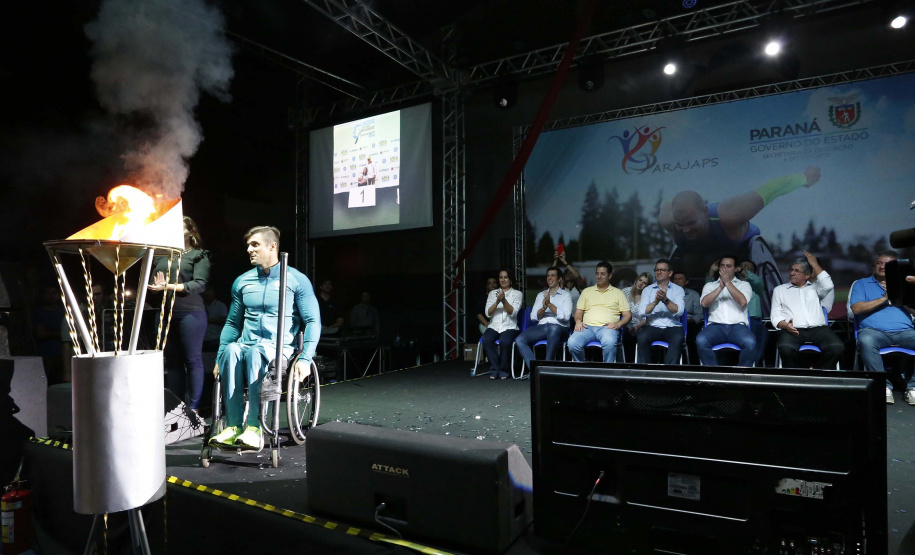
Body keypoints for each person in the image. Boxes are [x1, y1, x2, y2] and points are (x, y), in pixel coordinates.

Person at [210, 226, 320, 449]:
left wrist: (306, 358)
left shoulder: (296, 280)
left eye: (255, 245)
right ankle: (233, 427)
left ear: (272, 246)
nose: (249, 250)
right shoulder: (242, 281)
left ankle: (254, 427)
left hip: (278, 348)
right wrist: (220, 356)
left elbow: (312, 321)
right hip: (246, 344)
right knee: (231, 350)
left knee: (255, 352)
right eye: (248, 246)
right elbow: (232, 323)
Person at [659, 166, 821, 277]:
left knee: (711, 260)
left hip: (739, 252)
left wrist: (805, 178)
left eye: (691, 223)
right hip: (698, 259)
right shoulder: (668, 219)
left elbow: (773, 188)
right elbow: (668, 190)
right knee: (691, 261)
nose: (685, 229)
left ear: (705, 212)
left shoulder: (730, 215)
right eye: (680, 224)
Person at [148, 216, 210, 413]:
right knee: (172, 361)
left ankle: (193, 408)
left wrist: (169, 286)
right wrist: (156, 287)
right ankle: (176, 408)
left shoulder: (198, 255)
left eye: (180, 227)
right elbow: (155, 284)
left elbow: (199, 284)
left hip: (190, 313)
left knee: (192, 359)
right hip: (164, 313)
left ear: (191, 232)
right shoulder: (161, 256)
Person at [850, 250, 915, 405]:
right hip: (873, 332)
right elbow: (856, 309)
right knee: (866, 341)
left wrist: (901, 298)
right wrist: (885, 298)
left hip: (905, 332)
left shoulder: (906, 284)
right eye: (879, 263)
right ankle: (883, 387)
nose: (882, 266)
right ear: (874, 265)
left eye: (887, 264)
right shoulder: (861, 284)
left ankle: (913, 387)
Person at [770, 251, 843, 369]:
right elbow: (775, 315)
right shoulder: (780, 290)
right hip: (792, 330)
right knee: (786, 348)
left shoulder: (816, 288)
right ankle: (797, 375)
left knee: (837, 347)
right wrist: (785, 325)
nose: (792, 273)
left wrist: (814, 264)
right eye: (791, 270)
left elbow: (828, 285)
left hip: (818, 329)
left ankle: (818, 373)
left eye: (797, 271)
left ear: (807, 275)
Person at [696, 255, 756, 367]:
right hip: (715, 326)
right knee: (701, 340)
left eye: (728, 266)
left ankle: (742, 373)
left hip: (738, 327)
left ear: (736, 269)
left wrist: (728, 283)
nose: (724, 269)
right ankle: (712, 373)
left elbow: (743, 302)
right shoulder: (710, 285)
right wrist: (720, 287)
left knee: (750, 342)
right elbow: (704, 303)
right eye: (722, 266)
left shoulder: (744, 284)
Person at [568, 262, 631, 363]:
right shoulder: (587, 291)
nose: (599, 276)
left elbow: (628, 315)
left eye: (602, 274)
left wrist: (618, 324)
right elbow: (578, 312)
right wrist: (578, 321)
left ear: (610, 276)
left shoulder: (618, 293)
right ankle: (583, 368)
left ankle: (606, 370)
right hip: (587, 327)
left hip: (607, 328)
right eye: (597, 273)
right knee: (572, 343)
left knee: (609, 342)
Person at [514, 266, 573, 372]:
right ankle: (535, 370)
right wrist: (544, 308)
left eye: (553, 276)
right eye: (548, 276)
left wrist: (549, 304)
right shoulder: (541, 295)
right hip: (542, 327)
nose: (549, 278)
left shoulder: (566, 295)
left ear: (559, 279)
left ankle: (546, 368)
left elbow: (566, 317)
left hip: (560, 327)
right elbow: (533, 317)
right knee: (519, 340)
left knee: (553, 329)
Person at [636, 259, 685, 365]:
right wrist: (655, 302)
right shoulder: (648, 290)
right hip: (652, 326)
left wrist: (665, 300)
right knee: (642, 337)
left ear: (670, 273)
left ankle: (668, 371)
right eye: (657, 270)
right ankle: (645, 371)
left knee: (678, 338)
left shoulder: (678, 290)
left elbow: (680, 311)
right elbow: (641, 312)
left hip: (672, 327)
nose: (658, 272)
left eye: (662, 270)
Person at [481, 269, 523, 379]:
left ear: (510, 279)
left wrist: (504, 301)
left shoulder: (517, 294)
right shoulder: (492, 293)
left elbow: (513, 313)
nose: (503, 280)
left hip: (510, 326)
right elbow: (488, 313)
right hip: (494, 326)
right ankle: (494, 369)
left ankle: (504, 370)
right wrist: (497, 302)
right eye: (501, 277)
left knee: (505, 341)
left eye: (505, 277)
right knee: (486, 339)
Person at [737, 259, 769, 366]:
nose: (744, 269)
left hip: (752, 320)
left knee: (761, 331)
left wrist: (744, 272)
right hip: (733, 320)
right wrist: (711, 273)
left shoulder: (756, 286)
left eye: (747, 268)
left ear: (753, 272)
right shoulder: (730, 284)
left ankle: (751, 365)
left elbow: (758, 282)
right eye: (742, 266)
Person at [672, 270, 702, 364]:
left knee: (693, 338)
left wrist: (687, 321)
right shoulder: (667, 294)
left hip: (689, 323)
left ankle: (693, 365)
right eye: (675, 279)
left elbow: (699, 315)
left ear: (686, 282)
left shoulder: (694, 295)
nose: (677, 281)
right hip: (671, 323)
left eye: (680, 279)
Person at [622, 272, 652, 337]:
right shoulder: (625, 292)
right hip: (625, 324)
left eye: (644, 283)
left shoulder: (648, 298)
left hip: (641, 326)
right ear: (637, 280)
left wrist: (637, 327)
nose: (641, 283)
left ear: (647, 286)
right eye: (640, 280)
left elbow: (647, 318)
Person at [202, 286, 228, 352]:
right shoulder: (200, 306)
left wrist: (210, 320)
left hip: (216, 339)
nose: (207, 296)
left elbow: (225, 321)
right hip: (202, 339)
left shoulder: (221, 305)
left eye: (208, 294)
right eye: (205, 294)